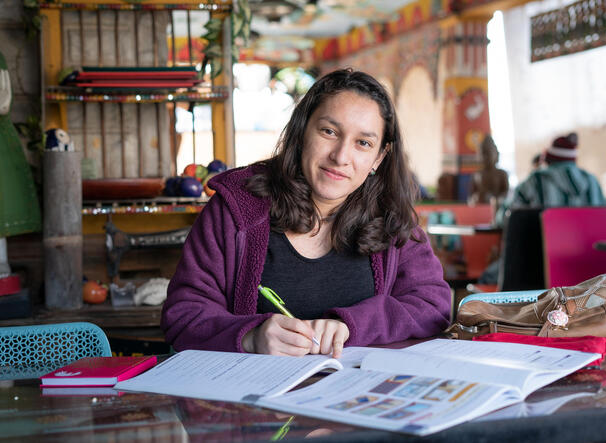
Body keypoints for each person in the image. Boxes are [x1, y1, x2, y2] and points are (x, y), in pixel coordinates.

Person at [161, 69, 451, 358]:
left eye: (363, 143)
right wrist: (250, 336)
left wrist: (352, 325)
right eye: (329, 132)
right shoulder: (237, 208)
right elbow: (183, 314)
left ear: (378, 157)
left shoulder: (391, 218)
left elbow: (433, 306)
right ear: (301, 132)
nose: (340, 157)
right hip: (252, 397)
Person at [496, 132, 606, 225]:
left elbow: (505, 218)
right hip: (589, 249)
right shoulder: (592, 181)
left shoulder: (535, 181)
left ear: (548, 159)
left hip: (541, 250)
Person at [468, 134, 509, 206]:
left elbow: (506, 193)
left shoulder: (502, 174)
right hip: (481, 208)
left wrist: (499, 200)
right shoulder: (476, 174)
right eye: (482, 154)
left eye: (488, 153)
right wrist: (474, 199)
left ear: (496, 154)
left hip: (497, 206)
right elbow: (471, 195)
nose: (485, 157)